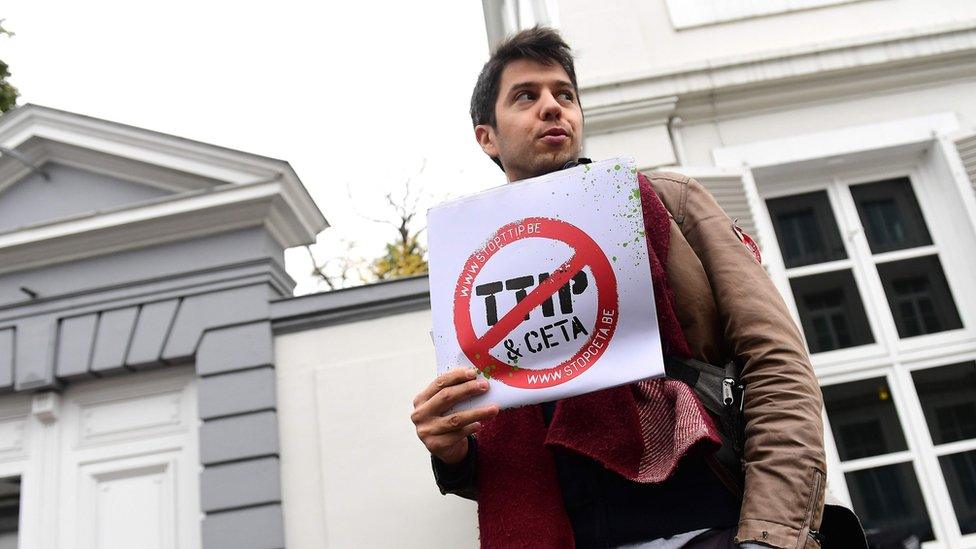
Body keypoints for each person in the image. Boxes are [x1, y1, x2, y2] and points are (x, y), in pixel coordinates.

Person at [411, 27, 827, 549]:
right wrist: (454, 454)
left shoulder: (670, 204)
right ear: (486, 137)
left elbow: (777, 363)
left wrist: (769, 536)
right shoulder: (469, 257)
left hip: (710, 526)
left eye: (565, 95)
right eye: (526, 96)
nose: (552, 107)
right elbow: (517, 454)